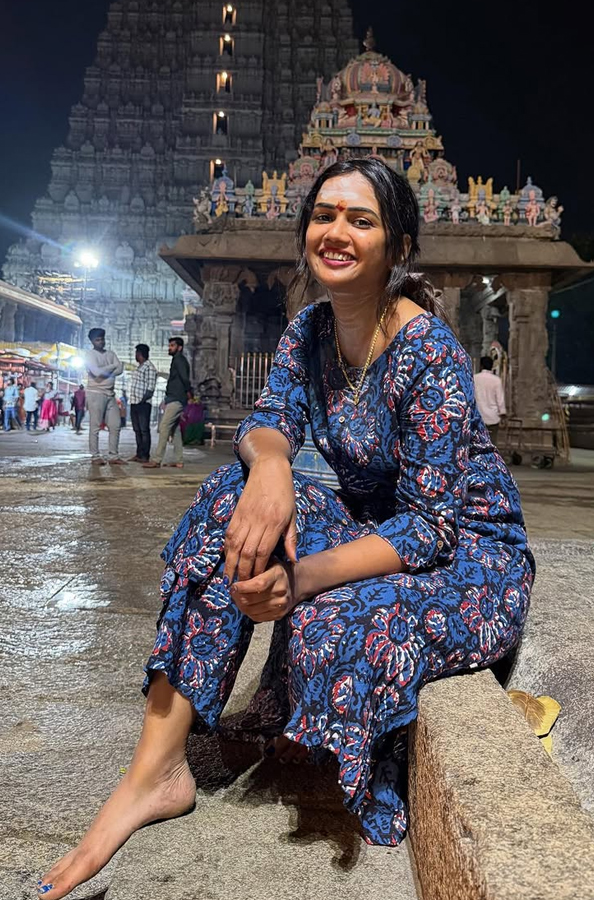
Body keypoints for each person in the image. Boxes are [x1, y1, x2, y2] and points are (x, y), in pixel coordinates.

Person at [37, 159, 534, 899]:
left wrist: (297, 579)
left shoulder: (430, 353)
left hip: (467, 554)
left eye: (360, 220)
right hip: (375, 523)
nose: (335, 232)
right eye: (324, 214)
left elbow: (431, 529)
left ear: (397, 248)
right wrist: (270, 467)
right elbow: (270, 419)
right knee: (228, 504)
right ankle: (156, 770)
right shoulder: (311, 330)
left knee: (336, 620)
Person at [143, 337, 191, 469]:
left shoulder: (179, 360)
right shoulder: (176, 360)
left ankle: (157, 459)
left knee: (164, 427)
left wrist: (189, 392)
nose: (169, 348)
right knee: (174, 430)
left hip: (177, 399)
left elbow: (185, 379)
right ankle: (179, 460)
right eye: (169, 345)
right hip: (174, 398)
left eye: (172, 346)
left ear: (179, 347)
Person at [85, 328, 125, 465]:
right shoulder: (90, 355)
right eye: (97, 340)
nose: (100, 342)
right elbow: (96, 372)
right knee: (95, 426)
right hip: (95, 393)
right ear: (92, 341)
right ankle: (95, 456)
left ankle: (113, 455)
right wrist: (112, 367)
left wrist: (106, 371)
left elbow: (120, 370)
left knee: (115, 425)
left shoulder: (110, 353)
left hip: (110, 393)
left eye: (102, 339)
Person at [129, 344, 158, 463]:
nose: (135, 355)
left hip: (143, 404)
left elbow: (150, 388)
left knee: (144, 430)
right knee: (137, 430)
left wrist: (142, 401)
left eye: (136, 353)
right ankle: (139, 453)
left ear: (140, 354)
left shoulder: (149, 368)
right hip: (134, 402)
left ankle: (145, 455)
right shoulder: (139, 368)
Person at [473, 355, 506, 444]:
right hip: (493, 418)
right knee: (491, 444)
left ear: (481, 366)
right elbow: (500, 399)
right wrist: (502, 414)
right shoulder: (496, 380)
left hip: (477, 417)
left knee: (477, 444)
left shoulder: (474, 378)